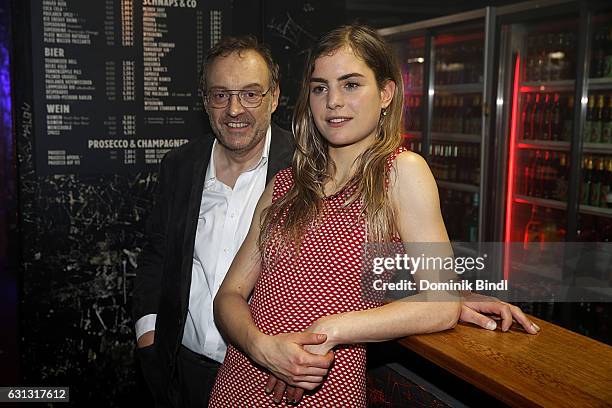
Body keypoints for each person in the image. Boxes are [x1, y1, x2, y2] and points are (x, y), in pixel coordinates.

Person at [209, 25, 540, 407]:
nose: (332, 101)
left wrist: (331, 328)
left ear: (386, 93)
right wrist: (262, 347)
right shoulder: (286, 183)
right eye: (320, 88)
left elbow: (440, 299)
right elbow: (229, 295)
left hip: (322, 384)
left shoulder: (402, 173)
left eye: (350, 85)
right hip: (240, 378)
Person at [131, 35, 308, 407]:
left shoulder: (307, 169)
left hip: (263, 377)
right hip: (181, 373)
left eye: (250, 94)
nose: (234, 109)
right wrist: (149, 336)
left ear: (274, 97)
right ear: (205, 101)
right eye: (220, 95)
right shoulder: (179, 167)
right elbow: (156, 255)